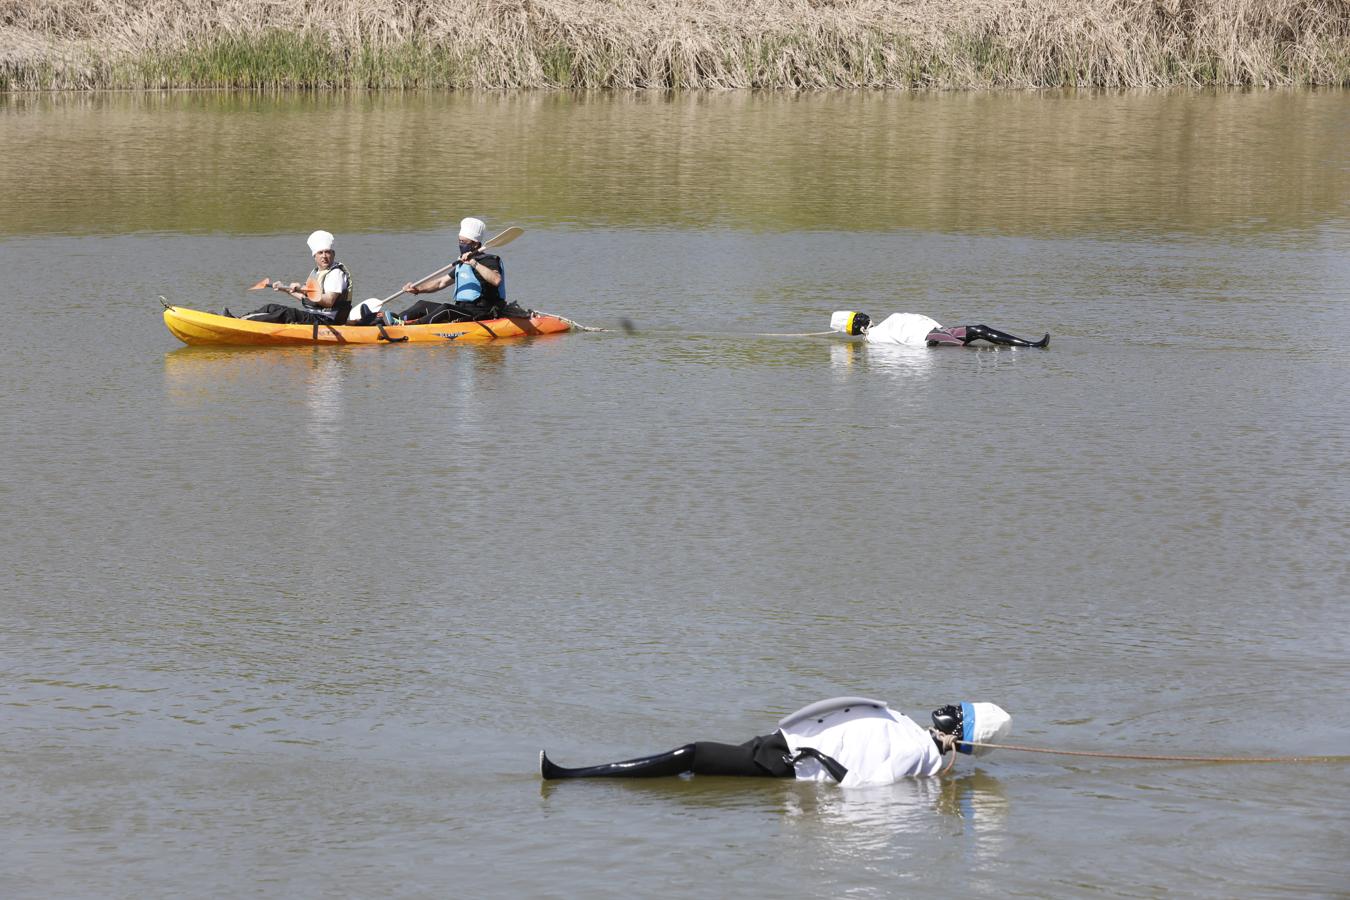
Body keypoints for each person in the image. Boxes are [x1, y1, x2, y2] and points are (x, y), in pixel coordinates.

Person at [540, 698, 1012, 787]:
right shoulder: (912, 731)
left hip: (787, 761)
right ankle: (576, 777)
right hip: (783, 743)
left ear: (961, 734)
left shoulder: (919, 754)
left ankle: (572, 777)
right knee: (695, 761)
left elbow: (866, 783)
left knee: (692, 755)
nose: (947, 709)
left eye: (958, 713)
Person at [396, 217, 507, 324]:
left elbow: (496, 280)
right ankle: (395, 320)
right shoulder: (463, 264)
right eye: (459, 241)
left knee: (446, 309)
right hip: (461, 310)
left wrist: (474, 263)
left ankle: (414, 327)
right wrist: (417, 289)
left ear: (475, 244)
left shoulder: (488, 260)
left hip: (481, 313)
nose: (461, 245)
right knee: (421, 305)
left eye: (464, 242)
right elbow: (440, 283)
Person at [231, 231, 353, 325]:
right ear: (314, 256)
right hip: (315, 317)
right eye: (320, 253)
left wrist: (302, 289)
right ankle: (237, 319)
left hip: (327, 321)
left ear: (333, 254)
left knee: (286, 313)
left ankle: (242, 324)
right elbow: (307, 299)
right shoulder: (315, 272)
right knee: (271, 307)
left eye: (328, 252)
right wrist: (285, 289)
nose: (324, 256)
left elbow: (329, 301)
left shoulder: (336, 274)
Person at [831, 311, 1049, 348]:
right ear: (855, 327)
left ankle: (1030, 345)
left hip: (938, 330)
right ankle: (1029, 347)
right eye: (859, 318)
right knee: (965, 348)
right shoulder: (875, 339)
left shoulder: (882, 327)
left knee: (980, 329)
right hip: (931, 339)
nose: (864, 317)